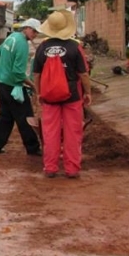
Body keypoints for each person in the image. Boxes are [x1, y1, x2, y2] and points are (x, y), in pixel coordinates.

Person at [32, 10, 91, 178]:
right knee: (73, 132)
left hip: (49, 96)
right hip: (72, 95)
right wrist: (87, 92)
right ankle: (72, 169)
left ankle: (50, 168)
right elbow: (83, 74)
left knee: (50, 132)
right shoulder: (74, 47)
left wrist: (39, 93)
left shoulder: (42, 47)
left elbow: (36, 74)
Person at [0, 18, 42, 156]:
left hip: (2, 84)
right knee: (25, 116)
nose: (35, 34)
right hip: (13, 86)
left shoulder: (11, 37)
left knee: (5, 115)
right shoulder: (22, 44)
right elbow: (18, 72)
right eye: (34, 31)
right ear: (26, 28)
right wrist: (33, 86)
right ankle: (33, 147)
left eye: (37, 32)